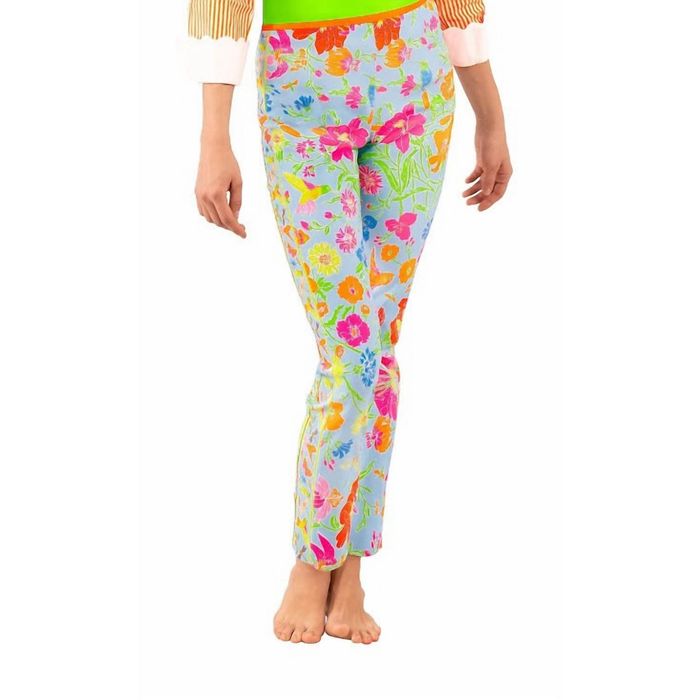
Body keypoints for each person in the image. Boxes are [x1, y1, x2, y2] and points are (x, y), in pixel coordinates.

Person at [183, 0, 512, 644]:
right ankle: (315, 559)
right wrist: (213, 137)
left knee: (377, 347)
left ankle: (350, 563)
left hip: (414, 79)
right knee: (352, 350)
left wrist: (492, 115)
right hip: (303, 94)